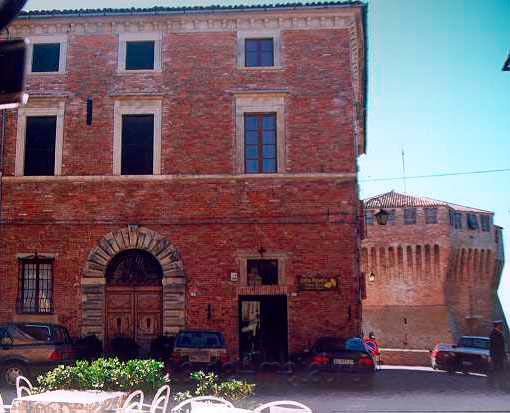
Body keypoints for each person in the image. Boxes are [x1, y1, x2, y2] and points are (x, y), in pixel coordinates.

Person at [489, 320, 506, 389]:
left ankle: (496, 384)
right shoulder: (494, 333)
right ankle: (496, 384)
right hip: (496, 355)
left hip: (498, 355)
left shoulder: (498, 333)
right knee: (497, 369)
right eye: (501, 325)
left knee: (498, 369)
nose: (502, 326)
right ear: (498, 326)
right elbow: (496, 345)